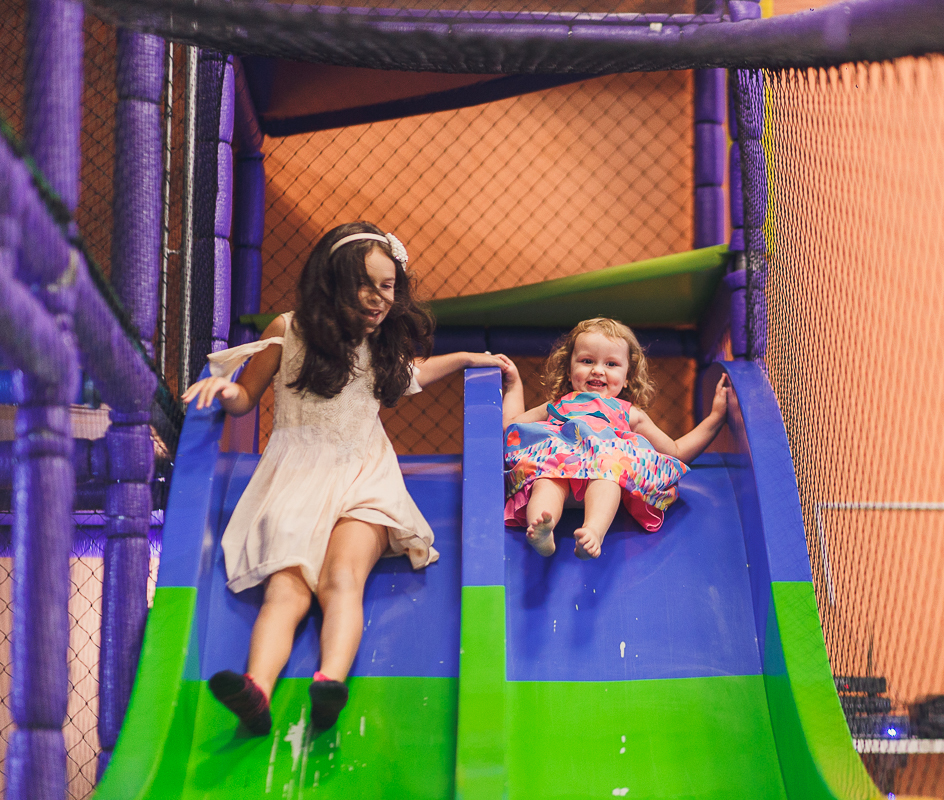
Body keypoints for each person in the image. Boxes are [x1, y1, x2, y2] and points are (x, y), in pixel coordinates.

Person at [182, 221, 511, 735]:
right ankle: (257, 691)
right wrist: (226, 394)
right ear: (334, 280)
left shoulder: (380, 345)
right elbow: (247, 395)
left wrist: (468, 357)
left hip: (365, 476)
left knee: (342, 579)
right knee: (286, 589)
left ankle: (329, 682)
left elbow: (413, 375)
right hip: (296, 474)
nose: (381, 298)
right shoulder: (286, 331)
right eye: (369, 285)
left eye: (389, 286)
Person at [500, 317, 729, 560]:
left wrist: (715, 419)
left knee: (610, 476)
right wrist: (513, 383)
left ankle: (593, 531)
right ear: (569, 369)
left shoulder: (628, 412)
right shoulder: (558, 405)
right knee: (544, 482)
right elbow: (511, 426)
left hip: (603, 473)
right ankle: (542, 528)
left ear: (628, 375)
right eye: (587, 361)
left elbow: (675, 450)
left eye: (611, 364)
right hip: (560, 470)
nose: (598, 370)